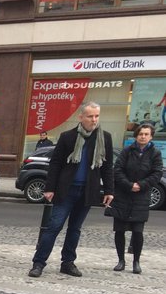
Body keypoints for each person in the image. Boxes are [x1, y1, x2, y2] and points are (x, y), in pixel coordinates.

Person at [28, 101, 114, 278]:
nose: (94, 120)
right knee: (54, 227)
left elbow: (107, 166)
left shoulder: (104, 137)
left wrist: (109, 191)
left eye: (97, 116)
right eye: (90, 116)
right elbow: (56, 163)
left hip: (88, 190)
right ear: (81, 117)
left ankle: (68, 262)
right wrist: (49, 188)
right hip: (66, 190)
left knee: (75, 229)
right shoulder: (68, 136)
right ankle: (38, 263)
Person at [111, 121, 162, 274]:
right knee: (120, 230)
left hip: (141, 196)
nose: (143, 137)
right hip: (123, 195)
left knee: (138, 231)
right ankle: (121, 260)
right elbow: (117, 169)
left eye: (146, 134)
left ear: (151, 136)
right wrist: (129, 185)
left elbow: (157, 173)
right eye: (140, 134)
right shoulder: (127, 151)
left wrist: (140, 184)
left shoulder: (155, 153)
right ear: (136, 136)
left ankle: (136, 262)